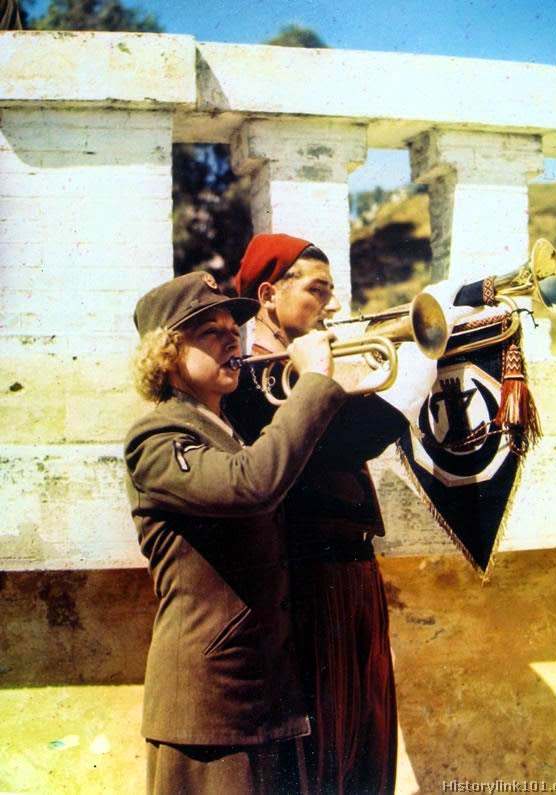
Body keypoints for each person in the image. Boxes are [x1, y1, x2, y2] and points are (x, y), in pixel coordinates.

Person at [227, 234, 472, 795]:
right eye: (318, 290)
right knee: (327, 754)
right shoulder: (250, 378)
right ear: (268, 295)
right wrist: (421, 362)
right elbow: (350, 441)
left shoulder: (311, 371)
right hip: (309, 583)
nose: (333, 305)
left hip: (354, 575)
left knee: (367, 743)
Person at [124, 270, 348, 794]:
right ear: (167, 354)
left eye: (234, 330)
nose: (233, 340)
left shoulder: (226, 430)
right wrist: (314, 383)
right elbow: (252, 484)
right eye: (211, 332)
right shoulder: (157, 437)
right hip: (211, 709)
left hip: (266, 697)